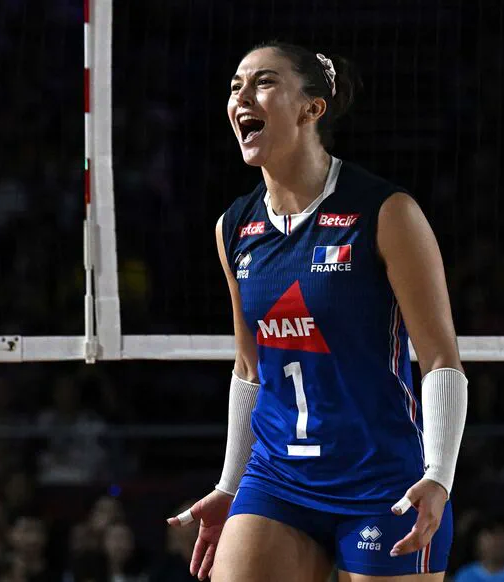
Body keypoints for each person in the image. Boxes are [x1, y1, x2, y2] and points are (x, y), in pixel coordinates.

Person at [167, 41, 468, 582]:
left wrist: (439, 475)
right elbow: (249, 368)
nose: (241, 97)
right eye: (235, 86)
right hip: (278, 477)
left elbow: (442, 359)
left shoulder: (385, 211)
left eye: (263, 82)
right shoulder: (234, 227)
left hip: (381, 481)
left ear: (312, 108)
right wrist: (229, 485)